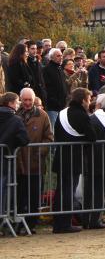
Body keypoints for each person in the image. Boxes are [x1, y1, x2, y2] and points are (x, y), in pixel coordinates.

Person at [52, 87, 96, 233]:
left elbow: (57, 134)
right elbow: (92, 136)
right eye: (88, 100)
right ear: (83, 100)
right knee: (69, 191)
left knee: (61, 191)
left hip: (61, 156)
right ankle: (65, 224)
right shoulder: (82, 115)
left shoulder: (62, 113)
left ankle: (58, 223)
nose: (89, 103)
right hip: (74, 157)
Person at [16, 88, 54, 234]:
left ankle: (30, 224)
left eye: (29, 100)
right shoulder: (16, 114)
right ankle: (19, 224)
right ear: (20, 99)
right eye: (24, 100)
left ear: (33, 99)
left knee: (34, 196)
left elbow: (49, 137)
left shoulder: (43, 115)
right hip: (18, 164)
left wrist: (39, 152)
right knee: (20, 196)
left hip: (35, 164)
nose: (27, 103)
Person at [83, 93, 105, 229]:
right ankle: (95, 219)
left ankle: (86, 219)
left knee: (89, 190)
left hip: (91, 159)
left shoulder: (91, 118)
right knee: (101, 191)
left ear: (98, 105)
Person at [42, 48, 68, 128]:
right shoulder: (46, 70)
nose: (61, 58)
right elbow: (47, 88)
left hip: (62, 105)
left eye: (61, 56)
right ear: (51, 57)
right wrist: (54, 100)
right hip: (52, 106)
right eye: (58, 56)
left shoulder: (60, 69)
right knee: (53, 129)